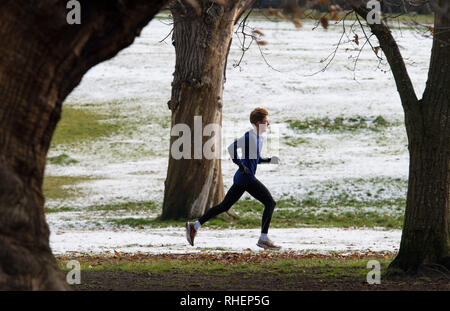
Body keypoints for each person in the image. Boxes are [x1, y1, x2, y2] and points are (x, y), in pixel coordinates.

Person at [185, 107, 281, 250]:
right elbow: (231, 148)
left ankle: (195, 226)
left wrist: (268, 160)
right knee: (270, 202)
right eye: (266, 121)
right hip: (246, 179)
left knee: (224, 206)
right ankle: (263, 238)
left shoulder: (258, 138)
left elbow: (255, 159)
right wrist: (241, 165)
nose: (268, 124)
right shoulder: (249, 137)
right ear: (258, 123)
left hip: (243, 179)